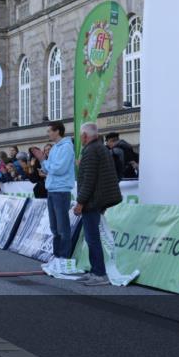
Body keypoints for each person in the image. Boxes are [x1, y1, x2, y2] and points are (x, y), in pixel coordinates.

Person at [74, 122, 123, 286]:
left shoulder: (90, 150)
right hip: (99, 199)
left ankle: (100, 274)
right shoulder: (99, 148)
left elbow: (89, 180)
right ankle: (96, 271)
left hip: (92, 201)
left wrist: (80, 202)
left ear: (85, 136)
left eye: (81, 135)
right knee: (92, 237)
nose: (80, 138)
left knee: (92, 238)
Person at [40, 122, 75, 260]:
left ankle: (64, 257)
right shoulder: (55, 148)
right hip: (53, 190)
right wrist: (45, 164)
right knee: (54, 228)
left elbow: (59, 169)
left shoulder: (66, 147)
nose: (48, 133)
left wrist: (44, 161)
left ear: (57, 131)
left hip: (61, 191)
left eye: (49, 131)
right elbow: (50, 169)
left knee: (62, 227)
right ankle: (56, 256)